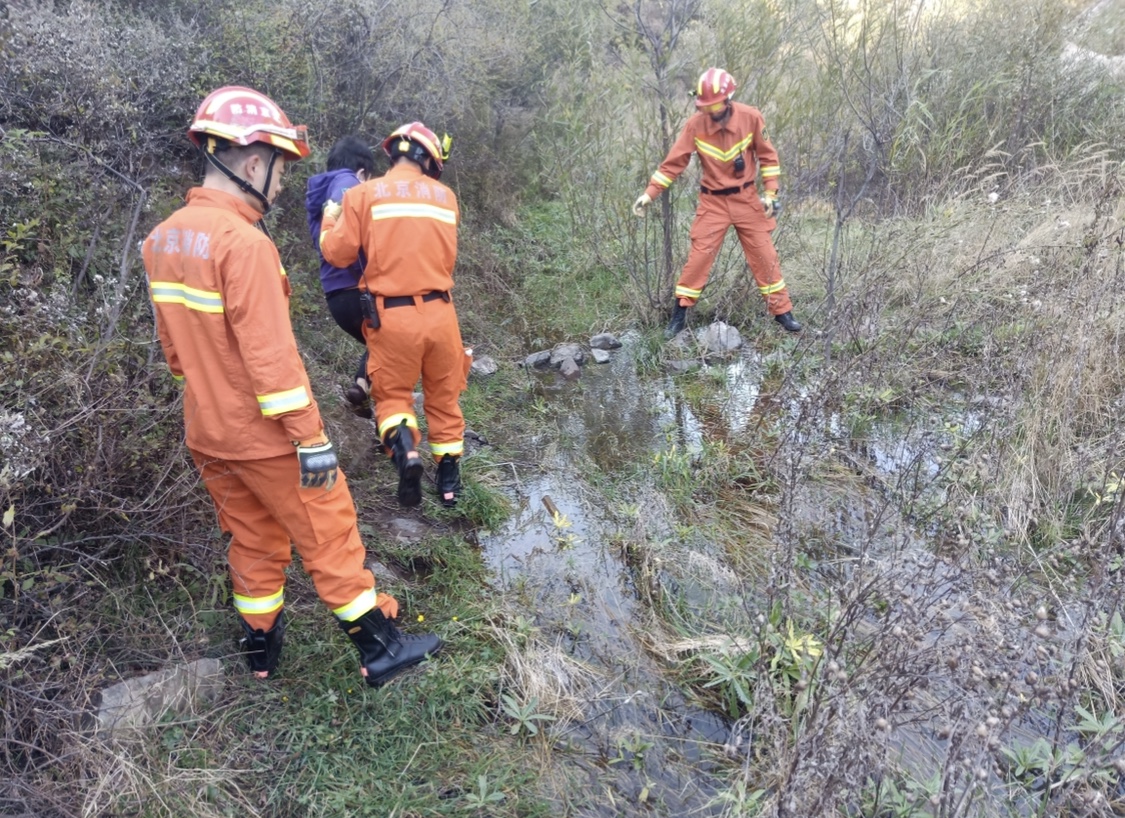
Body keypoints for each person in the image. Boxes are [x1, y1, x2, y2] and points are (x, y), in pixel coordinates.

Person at [142, 86, 441, 687]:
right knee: (329, 530)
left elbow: (176, 355)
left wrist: (212, 396)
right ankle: (381, 648)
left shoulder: (163, 239)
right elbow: (273, 363)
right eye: (279, 170)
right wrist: (311, 440)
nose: (281, 186)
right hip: (269, 437)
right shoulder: (244, 245)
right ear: (253, 161)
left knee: (252, 538)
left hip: (207, 431)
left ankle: (260, 651)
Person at [319, 121, 468, 509]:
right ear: (430, 159)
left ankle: (406, 451)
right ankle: (449, 481)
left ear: (392, 153)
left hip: (391, 316)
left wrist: (330, 219)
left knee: (393, 397)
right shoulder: (446, 198)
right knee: (445, 395)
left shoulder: (363, 195)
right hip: (441, 313)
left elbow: (337, 254)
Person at [633, 67, 802, 338]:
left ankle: (783, 313)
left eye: (713, 105)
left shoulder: (751, 117)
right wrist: (649, 194)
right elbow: (672, 164)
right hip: (713, 203)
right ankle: (679, 315)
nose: (709, 111)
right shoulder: (695, 125)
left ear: (728, 99)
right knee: (699, 258)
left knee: (765, 256)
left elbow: (769, 159)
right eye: (705, 106)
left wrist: (771, 194)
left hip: (746, 200)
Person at [304, 136, 377, 417]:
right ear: (362, 173)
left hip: (335, 295)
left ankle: (363, 391)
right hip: (359, 289)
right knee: (395, 342)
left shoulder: (318, 194)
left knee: (381, 344)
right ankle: (389, 424)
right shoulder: (348, 185)